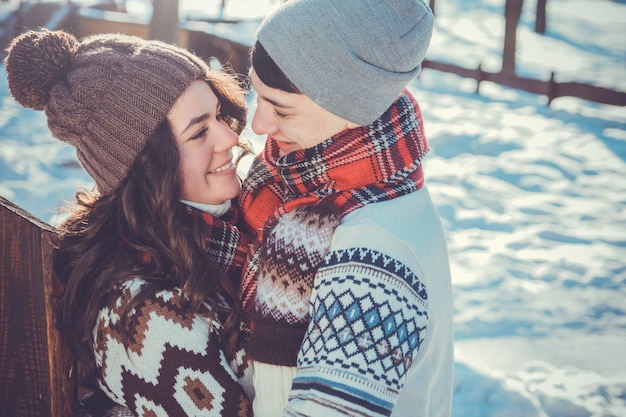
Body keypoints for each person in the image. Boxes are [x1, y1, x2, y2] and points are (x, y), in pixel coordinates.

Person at [4, 29, 254, 416]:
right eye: (200, 131)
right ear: (147, 166)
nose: (230, 138)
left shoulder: (231, 234)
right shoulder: (149, 316)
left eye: (220, 115)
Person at [237, 0, 454, 416]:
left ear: (352, 108)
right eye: (256, 94)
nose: (258, 124)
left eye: (281, 108)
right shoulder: (310, 191)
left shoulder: (372, 256)